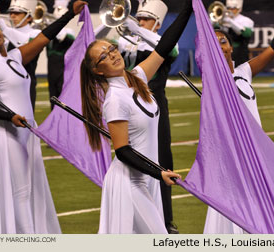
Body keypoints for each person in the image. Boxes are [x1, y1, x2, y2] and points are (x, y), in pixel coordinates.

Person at [0, 0, 86, 234]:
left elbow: (44, 36)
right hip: (6, 134)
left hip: (25, 131)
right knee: (19, 189)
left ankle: (31, 233)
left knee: (29, 185)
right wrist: (9, 116)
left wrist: (70, 14)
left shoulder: (14, 56)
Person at [80, 0, 193, 234]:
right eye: (104, 57)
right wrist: (159, 172)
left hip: (148, 180)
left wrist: (189, 7)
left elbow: (165, 46)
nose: (112, 55)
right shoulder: (115, 100)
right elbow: (123, 151)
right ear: (97, 71)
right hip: (129, 184)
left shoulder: (138, 77)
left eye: (111, 49)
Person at [203, 0, 274, 234]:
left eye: (223, 41)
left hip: (257, 154)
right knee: (236, 215)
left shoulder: (244, 72)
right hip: (234, 157)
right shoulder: (213, 82)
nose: (220, 45)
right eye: (214, 42)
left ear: (231, 47)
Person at [117, 0, 179, 234]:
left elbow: (170, 50)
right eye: (139, 18)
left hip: (156, 105)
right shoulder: (125, 41)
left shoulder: (160, 41)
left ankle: (166, 220)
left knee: (161, 158)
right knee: (130, 157)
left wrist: (138, 31)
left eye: (145, 19)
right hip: (129, 104)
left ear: (158, 23)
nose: (140, 22)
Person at [0, 0, 41, 111]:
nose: (12, 16)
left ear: (29, 17)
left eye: (17, 13)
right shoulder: (6, 33)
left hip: (26, 84)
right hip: (6, 84)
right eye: (11, 13)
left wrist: (5, 29)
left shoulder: (35, 33)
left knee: (26, 120)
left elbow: (25, 42)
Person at [47, 0, 75, 110]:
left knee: (63, 95)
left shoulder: (69, 31)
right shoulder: (49, 30)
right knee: (52, 96)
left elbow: (64, 37)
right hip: (51, 69)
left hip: (63, 69)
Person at [212, 0, 254, 66]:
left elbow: (246, 34)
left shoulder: (246, 20)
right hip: (224, 52)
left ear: (239, 9)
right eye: (229, 8)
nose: (231, 10)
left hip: (240, 54)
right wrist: (215, 21)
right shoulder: (223, 19)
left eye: (233, 8)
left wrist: (230, 22)